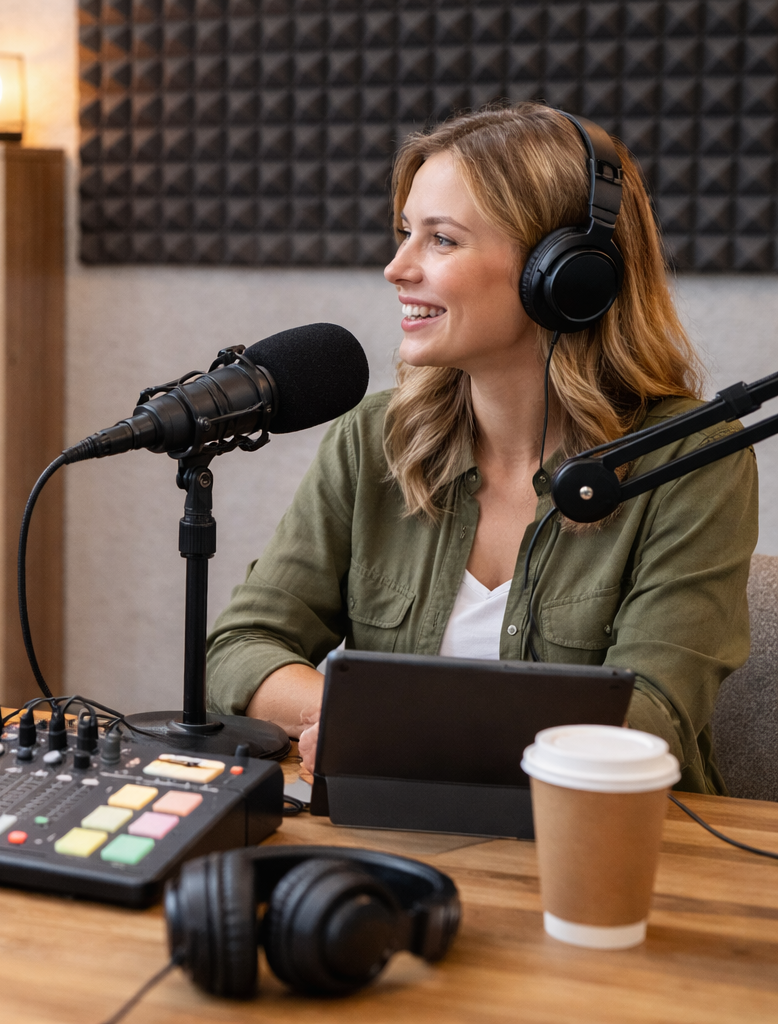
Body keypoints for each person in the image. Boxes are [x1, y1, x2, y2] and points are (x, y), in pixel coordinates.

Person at [206, 104, 756, 794]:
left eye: (441, 240)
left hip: (607, 850)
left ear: (566, 275)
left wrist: (404, 731)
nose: (396, 268)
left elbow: (648, 719)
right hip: (399, 844)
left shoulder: (689, 459)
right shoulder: (373, 441)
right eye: (406, 233)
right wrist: (348, 715)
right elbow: (240, 648)